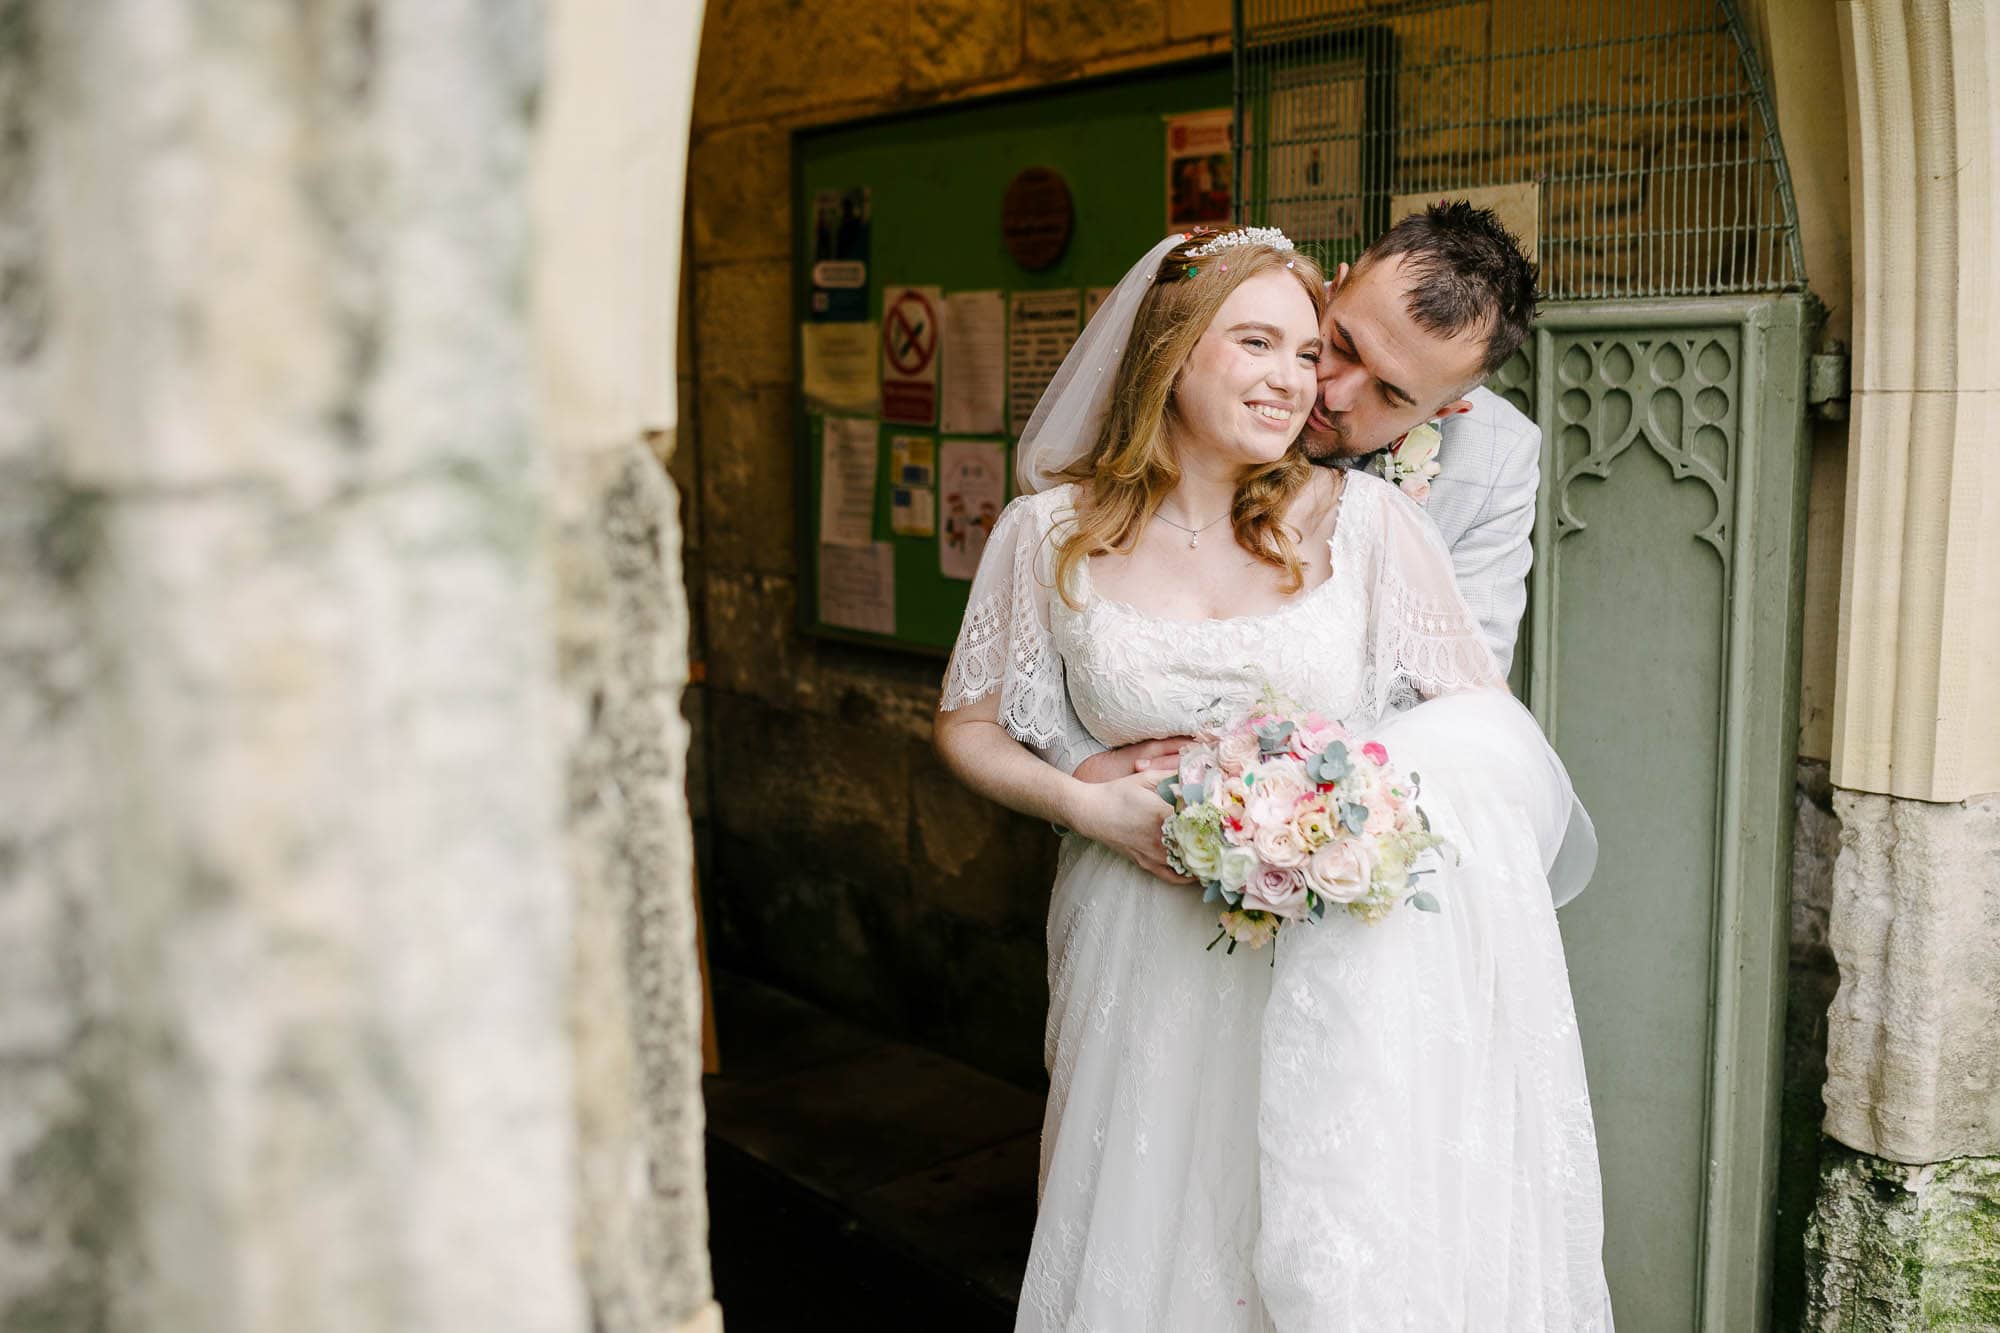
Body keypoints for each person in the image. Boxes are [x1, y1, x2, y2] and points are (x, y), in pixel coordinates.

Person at [934, 224, 1610, 1330]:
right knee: (1146, 1214)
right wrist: (1086, 780)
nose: (1315, 386)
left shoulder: (1414, 502)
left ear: (1437, 412)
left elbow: (1466, 712)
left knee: (1321, 1213)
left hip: (1329, 921)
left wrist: (1299, 802)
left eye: (1362, 381)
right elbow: (984, 711)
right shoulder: (1050, 524)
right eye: (1313, 343)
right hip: (1131, 917)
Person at [1079, 202, 1546, 795]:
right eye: (1342, 345)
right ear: (1336, 285)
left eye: (1391, 393)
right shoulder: (1204, 369)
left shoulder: (1496, 456)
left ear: (1446, 410)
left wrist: (1284, 803)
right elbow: (1070, 622)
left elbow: (1458, 705)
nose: (1334, 395)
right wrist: (1084, 768)